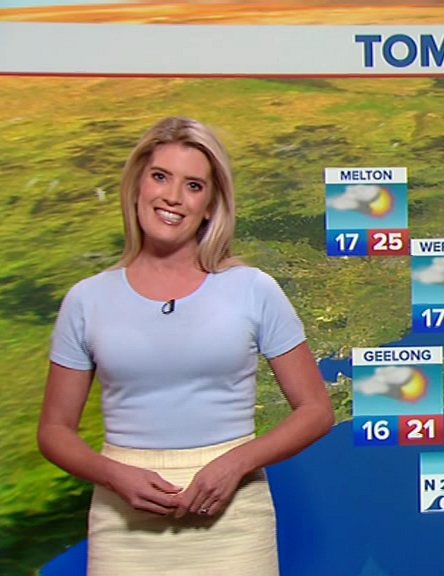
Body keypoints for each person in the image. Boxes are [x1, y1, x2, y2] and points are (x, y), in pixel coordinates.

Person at [37, 117, 335, 575]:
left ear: (211, 204)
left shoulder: (253, 289)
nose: (173, 197)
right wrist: (114, 474)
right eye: (160, 177)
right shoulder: (87, 299)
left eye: (193, 185)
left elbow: (316, 410)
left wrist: (235, 464)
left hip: (233, 523)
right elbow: (55, 430)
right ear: (137, 185)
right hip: (124, 525)